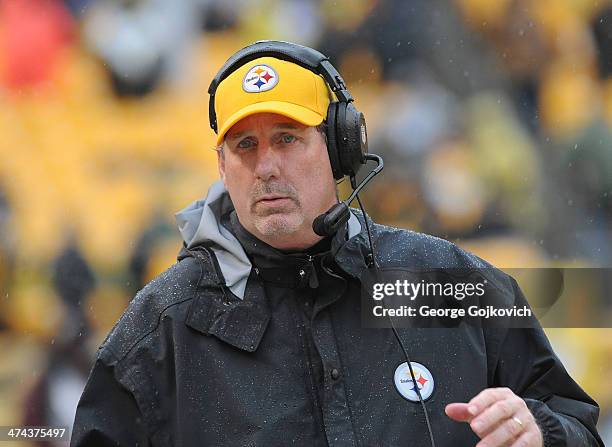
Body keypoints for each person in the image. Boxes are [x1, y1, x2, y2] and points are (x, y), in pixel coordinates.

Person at [71, 41, 603, 447]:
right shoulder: (162, 331)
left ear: (341, 146)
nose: (266, 167)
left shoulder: (452, 284)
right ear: (221, 167)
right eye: (245, 146)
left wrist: (542, 431)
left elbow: (576, 423)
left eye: (287, 138)